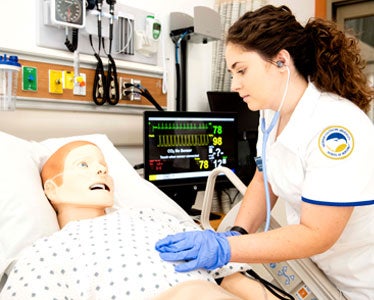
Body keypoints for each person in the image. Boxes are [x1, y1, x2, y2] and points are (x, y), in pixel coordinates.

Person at [155, 5, 374, 300]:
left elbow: (317, 233)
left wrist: (226, 248)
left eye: (242, 70)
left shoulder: (335, 128)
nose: (235, 85)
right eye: (232, 73)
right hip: (317, 268)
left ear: (281, 61)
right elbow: (264, 177)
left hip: (358, 280)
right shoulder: (271, 113)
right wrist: (238, 233)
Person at [1, 140, 278, 299]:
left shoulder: (154, 218)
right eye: (83, 165)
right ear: (52, 189)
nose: (100, 171)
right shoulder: (44, 254)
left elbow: (229, 278)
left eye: (103, 167)